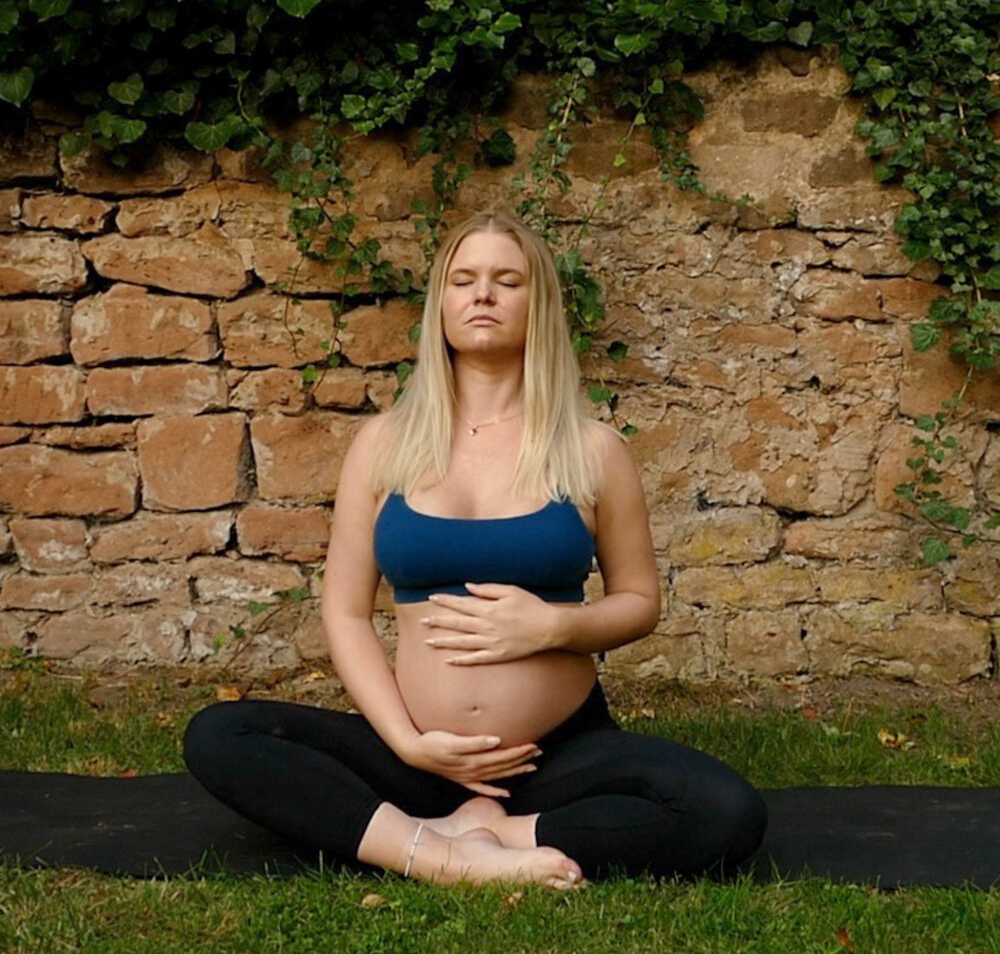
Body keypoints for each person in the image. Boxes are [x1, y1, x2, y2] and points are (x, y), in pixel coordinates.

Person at [183, 211, 768, 890]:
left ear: (537, 303)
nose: (483, 295)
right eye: (463, 280)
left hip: (553, 757)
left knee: (727, 812)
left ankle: (495, 835)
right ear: (442, 305)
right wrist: (407, 742)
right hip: (419, 758)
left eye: (506, 281)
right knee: (221, 735)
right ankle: (439, 855)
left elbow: (640, 601)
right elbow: (344, 612)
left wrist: (556, 625)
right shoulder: (384, 444)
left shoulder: (593, 450)